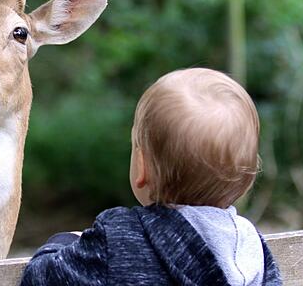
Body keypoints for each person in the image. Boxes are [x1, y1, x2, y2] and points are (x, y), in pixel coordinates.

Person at [20, 68, 282, 285]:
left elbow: (39, 278)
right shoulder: (251, 247)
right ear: (246, 183)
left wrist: (63, 242)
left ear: (142, 167)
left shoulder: (118, 238)